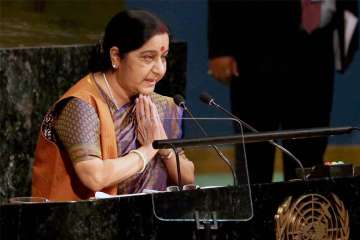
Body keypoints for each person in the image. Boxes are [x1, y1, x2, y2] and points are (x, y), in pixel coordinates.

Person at [32, 10, 195, 201]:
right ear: (116, 56)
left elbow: (188, 178)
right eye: (148, 58)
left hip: (154, 220)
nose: (160, 70)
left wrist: (165, 147)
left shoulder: (159, 105)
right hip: (92, 224)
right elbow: (94, 177)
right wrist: (149, 148)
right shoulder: (81, 105)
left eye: (164, 57)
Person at [208, 0, 358, 183]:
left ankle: (303, 210)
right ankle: (255, 212)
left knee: (309, 157)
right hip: (256, 48)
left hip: (317, 49)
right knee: (254, 158)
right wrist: (220, 46)